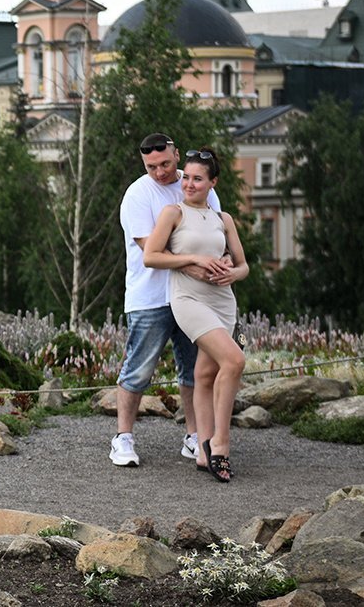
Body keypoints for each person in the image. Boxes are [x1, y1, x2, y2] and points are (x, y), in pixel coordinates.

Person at [111, 132, 223, 468]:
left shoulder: (197, 185)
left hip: (194, 295)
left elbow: (216, 233)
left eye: (165, 164)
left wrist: (219, 263)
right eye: (151, 166)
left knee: (195, 369)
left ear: (176, 155)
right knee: (139, 369)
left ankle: (193, 435)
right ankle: (123, 437)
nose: (159, 172)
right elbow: (151, 249)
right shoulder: (137, 194)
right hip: (151, 296)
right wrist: (198, 259)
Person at [143, 148, 248, 483]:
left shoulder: (223, 218)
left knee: (204, 375)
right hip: (188, 298)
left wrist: (234, 273)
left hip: (222, 300)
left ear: (212, 183)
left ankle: (203, 452)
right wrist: (195, 260)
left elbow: (243, 264)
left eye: (197, 178)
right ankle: (221, 443)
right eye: (185, 177)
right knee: (234, 361)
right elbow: (151, 256)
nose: (188, 184)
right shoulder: (172, 213)